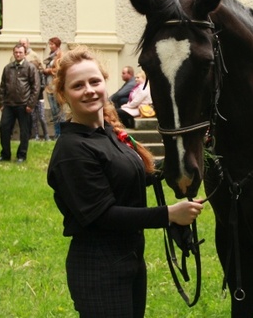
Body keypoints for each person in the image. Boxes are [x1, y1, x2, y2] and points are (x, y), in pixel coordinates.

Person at [46, 46, 203, 316]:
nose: (89, 90)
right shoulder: (72, 151)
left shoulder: (108, 132)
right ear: (63, 95)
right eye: (78, 85)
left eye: (95, 81)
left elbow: (136, 175)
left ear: (105, 82)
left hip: (129, 261)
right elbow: (103, 216)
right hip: (99, 270)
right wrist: (169, 215)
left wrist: (192, 158)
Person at [0, 44, 40, 163]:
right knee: (4, 128)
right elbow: (3, 86)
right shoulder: (7, 68)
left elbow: (36, 87)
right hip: (9, 104)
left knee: (25, 131)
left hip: (24, 105)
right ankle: (5, 154)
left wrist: (30, 104)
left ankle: (21, 155)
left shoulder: (30, 67)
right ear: (13, 53)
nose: (18, 54)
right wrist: (1, 103)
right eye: (16, 52)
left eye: (20, 52)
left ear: (25, 53)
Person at [43, 37, 64, 138]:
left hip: (56, 86)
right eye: (49, 44)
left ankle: (61, 133)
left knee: (59, 111)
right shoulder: (50, 56)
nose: (50, 46)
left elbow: (60, 70)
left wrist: (48, 71)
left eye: (52, 44)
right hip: (49, 86)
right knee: (53, 111)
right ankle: (57, 133)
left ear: (57, 45)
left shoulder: (60, 55)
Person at [31, 60, 50, 140]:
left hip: (39, 98)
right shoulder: (29, 75)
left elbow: (43, 85)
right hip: (31, 99)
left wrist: (35, 89)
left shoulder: (40, 74)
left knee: (41, 117)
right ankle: (36, 135)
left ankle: (46, 135)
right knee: (33, 118)